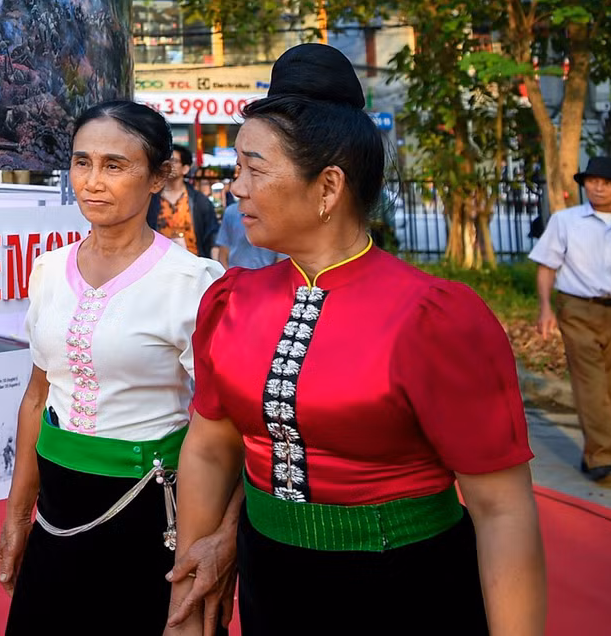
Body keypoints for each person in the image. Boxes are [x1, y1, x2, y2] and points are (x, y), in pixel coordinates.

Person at [169, 43, 545, 636]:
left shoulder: (433, 317)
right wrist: (188, 595)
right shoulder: (231, 300)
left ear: (328, 187)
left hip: (406, 589)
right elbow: (211, 448)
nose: (235, 188)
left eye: (252, 168)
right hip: (272, 583)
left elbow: (502, 509)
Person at [0, 101, 230, 635]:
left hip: (152, 510)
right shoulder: (49, 270)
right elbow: (38, 397)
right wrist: (16, 518)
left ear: (158, 176)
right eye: (82, 163)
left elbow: (223, 428)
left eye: (115, 166)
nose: (93, 182)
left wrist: (218, 537)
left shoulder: (191, 282)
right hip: (57, 511)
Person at [531, 154, 611, 485]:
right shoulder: (566, 221)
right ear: (584, 185)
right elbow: (546, 265)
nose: (599, 187)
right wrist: (545, 308)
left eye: (608, 182)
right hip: (578, 309)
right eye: (593, 181)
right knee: (591, 384)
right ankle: (603, 459)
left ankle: (593, 454)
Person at [146, 145, 220, 257]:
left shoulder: (199, 201)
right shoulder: (151, 199)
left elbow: (212, 236)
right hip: (159, 263)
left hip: (193, 264)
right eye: (166, 161)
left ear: (185, 168)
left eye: (174, 161)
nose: (169, 165)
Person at [213, 181, 284, 271]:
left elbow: (281, 260)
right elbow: (223, 254)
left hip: (266, 280)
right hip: (235, 278)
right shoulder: (231, 213)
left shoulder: (278, 218)